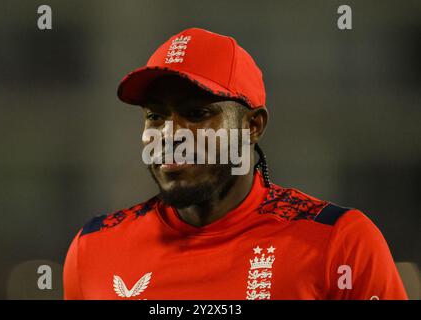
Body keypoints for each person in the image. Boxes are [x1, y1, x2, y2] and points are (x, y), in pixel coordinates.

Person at [63, 27, 407, 300]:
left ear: (252, 126)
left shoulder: (340, 244)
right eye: (155, 116)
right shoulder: (94, 249)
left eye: (197, 114)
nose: (170, 134)